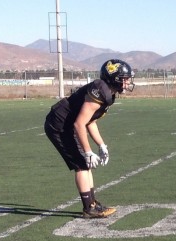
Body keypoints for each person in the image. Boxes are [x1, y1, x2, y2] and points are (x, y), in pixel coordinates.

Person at [44, 59, 135, 219]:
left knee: (85, 165)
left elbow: (90, 121)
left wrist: (101, 145)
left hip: (68, 123)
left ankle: (92, 203)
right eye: (124, 78)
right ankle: (89, 208)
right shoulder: (100, 91)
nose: (127, 82)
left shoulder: (108, 94)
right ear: (113, 77)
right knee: (81, 164)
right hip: (60, 124)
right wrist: (88, 151)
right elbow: (80, 124)